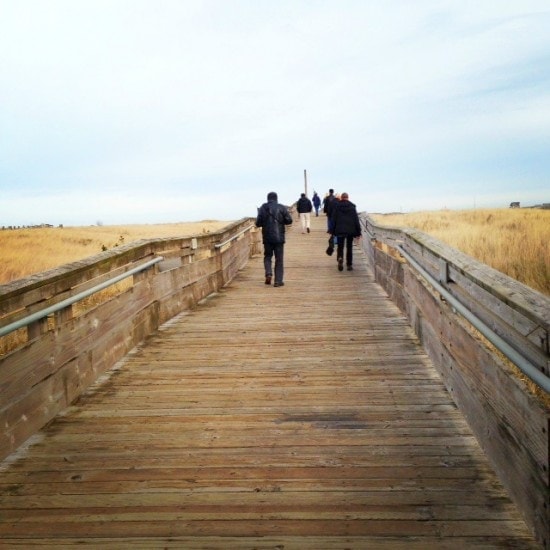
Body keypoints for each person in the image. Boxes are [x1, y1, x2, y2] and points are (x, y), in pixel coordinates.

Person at [255, 191, 293, 287]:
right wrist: (281, 221)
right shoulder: (281, 207)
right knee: (279, 259)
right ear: (276, 198)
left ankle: (268, 273)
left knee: (267, 256)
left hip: (267, 237)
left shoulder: (263, 207)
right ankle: (278, 281)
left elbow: (258, 223)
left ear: (268, 199)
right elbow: (289, 220)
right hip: (279, 237)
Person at [331, 192, 361, 272]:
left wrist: (332, 231)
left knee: (340, 247)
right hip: (350, 230)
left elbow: (333, 219)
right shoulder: (352, 207)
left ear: (341, 198)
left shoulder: (337, 206)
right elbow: (356, 220)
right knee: (349, 247)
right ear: (348, 197)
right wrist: (359, 232)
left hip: (339, 230)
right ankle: (349, 265)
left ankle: (340, 258)